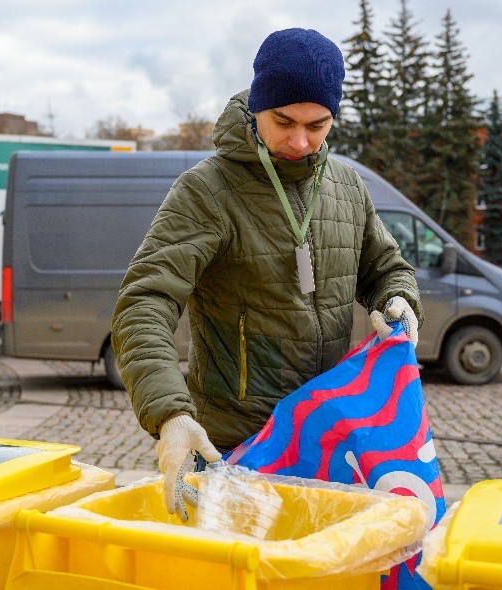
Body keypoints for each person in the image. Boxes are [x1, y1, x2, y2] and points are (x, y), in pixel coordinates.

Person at [111, 28, 423, 521]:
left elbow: (385, 268)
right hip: (236, 445)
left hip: (325, 440)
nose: (300, 142)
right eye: (283, 122)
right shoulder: (206, 191)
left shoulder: (346, 185)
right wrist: (171, 414)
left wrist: (397, 298)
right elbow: (144, 302)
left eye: (318, 126)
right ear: (257, 106)